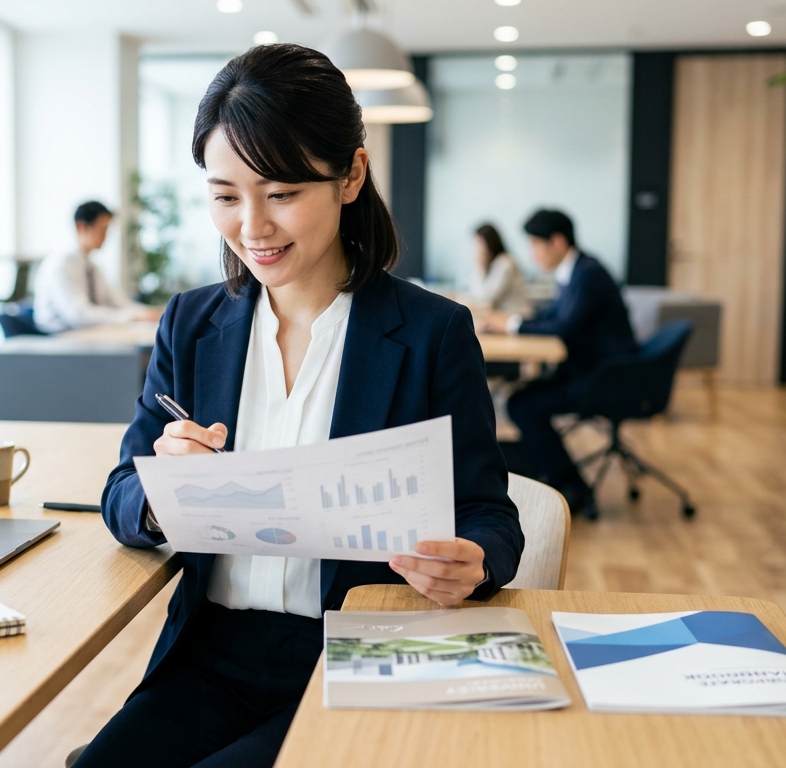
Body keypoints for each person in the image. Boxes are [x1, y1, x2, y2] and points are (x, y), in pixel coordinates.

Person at [76, 44, 523, 768]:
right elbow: (121, 493)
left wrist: (474, 560)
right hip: (210, 655)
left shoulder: (432, 333)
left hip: (357, 655)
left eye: (281, 193)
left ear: (351, 174)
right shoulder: (192, 325)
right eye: (226, 196)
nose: (252, 226)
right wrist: (165, 490)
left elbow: (488, 515)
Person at [481, 209, 637, 517]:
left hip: (605, 378)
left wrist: (511, 324)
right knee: (522, 400)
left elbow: (563, 327)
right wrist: (514, 322)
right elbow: (554, 317)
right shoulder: (576, 270)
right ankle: (551, 475)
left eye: (536, 244)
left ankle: (570, 486)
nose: (532, 253)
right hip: (589, 369)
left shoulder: (587, 274)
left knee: (524, 405)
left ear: (557, 241)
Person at [32, 200, 160, 334]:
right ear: (82, 227)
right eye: (102, 230)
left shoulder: (92, 267)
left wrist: (147, 313)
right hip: (58, 338)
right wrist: (132, 316)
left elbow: (118, 302)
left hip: (86, 335)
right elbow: (78, 315)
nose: (105, 237)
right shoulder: (60, 264)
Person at [468, 223, 531, 316]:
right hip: (501, 318)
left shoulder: (505, 263)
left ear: (489, 243)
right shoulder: (492, 265)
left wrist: (479, 268)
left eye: (479, 243)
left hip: (516, 318)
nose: (477, 249)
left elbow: (485, 300)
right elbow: (474, 293)